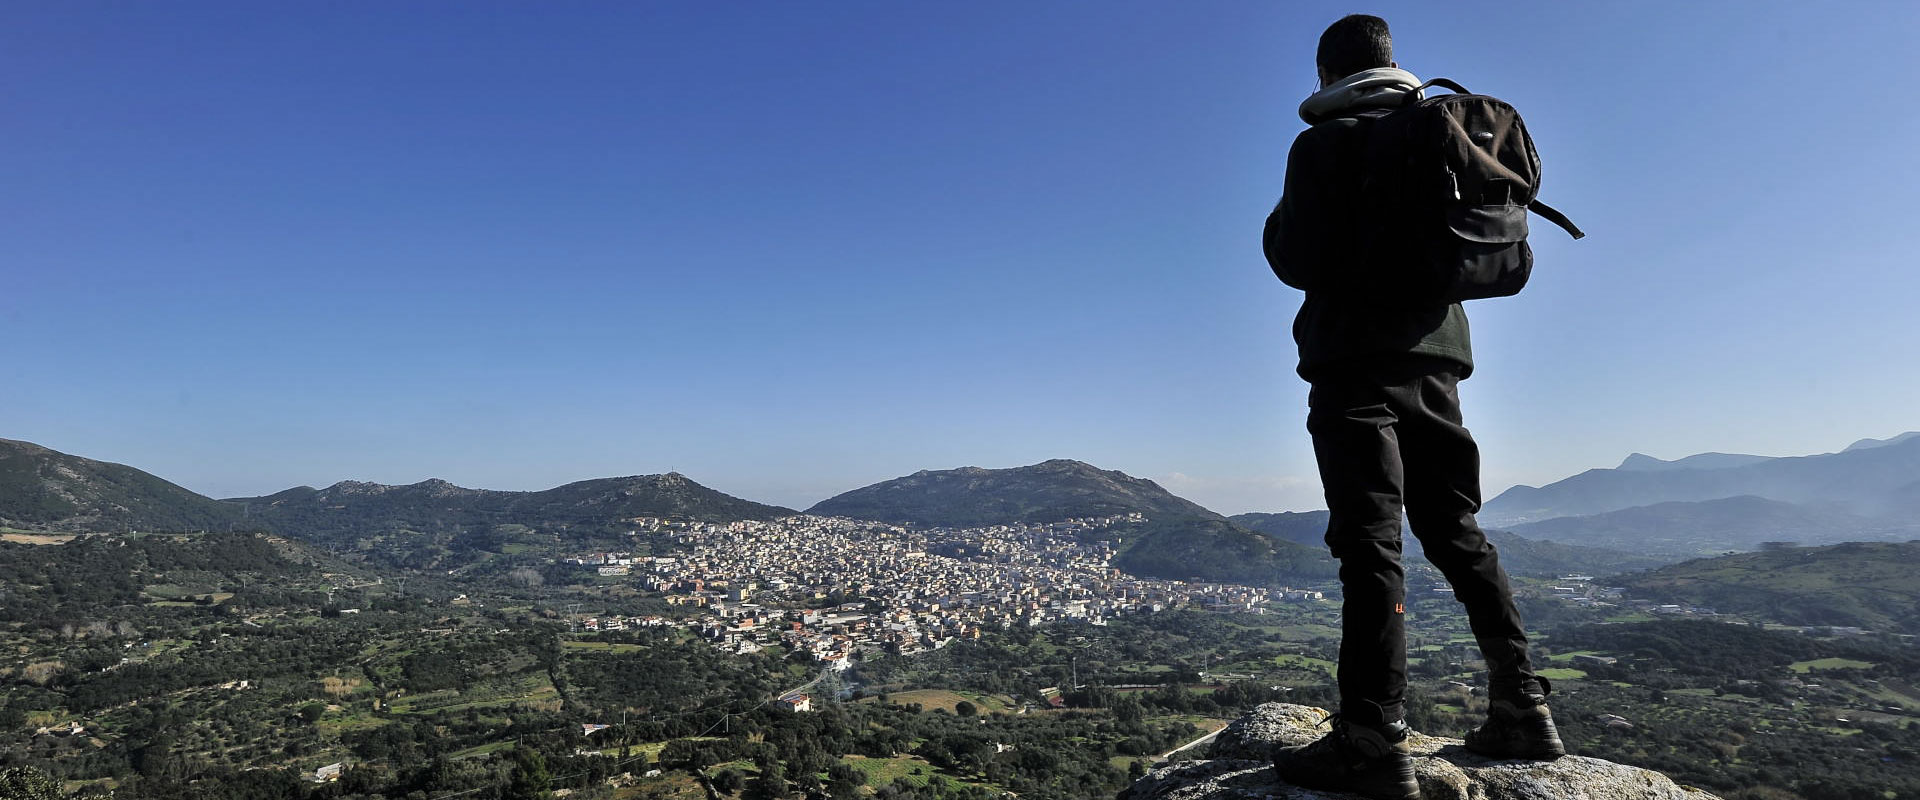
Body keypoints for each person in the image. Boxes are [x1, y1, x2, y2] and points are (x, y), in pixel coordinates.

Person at [1262, 14, 1565, 800]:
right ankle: (1524, 707)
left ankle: (1370, 738)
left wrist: (1277, 228)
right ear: (1392, 64)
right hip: (1438, 360)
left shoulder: (1320, 146)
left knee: (1370, 545)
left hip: (1351, 365)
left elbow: (1297, 258)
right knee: (1457, 529)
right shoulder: (1432, 135)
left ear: (1327, 74)